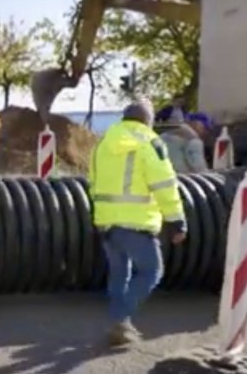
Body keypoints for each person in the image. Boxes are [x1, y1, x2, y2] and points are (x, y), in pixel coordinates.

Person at [88, 99, 187, 346]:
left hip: (106, 222)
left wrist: (102, 215)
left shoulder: (102, 143)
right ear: (148, 120)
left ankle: (120, 325)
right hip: (136, 222)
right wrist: (176, 220)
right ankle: (119, 319)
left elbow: (92, 181)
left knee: (120, 273)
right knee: (152, 270)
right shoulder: (151, 143)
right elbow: (164, 185)